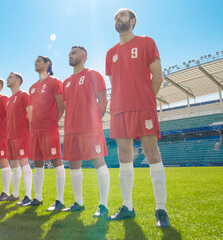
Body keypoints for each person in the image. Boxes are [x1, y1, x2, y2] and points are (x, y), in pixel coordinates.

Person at [105, 8, 170, 228]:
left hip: (143, 107)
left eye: (121, 16)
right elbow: (114, 84)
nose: (117, 19)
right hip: (119, 110)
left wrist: (145, 100)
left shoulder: (146, 42)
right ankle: (127, 207)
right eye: (115, 17)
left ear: (132, 21)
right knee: (124, 155)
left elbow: (158, 77)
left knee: (152, 153)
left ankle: (161, 210)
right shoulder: (110, 52)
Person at [62, 46, 110, 218]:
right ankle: (78, 202)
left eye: (74, 52)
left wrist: (94, 123)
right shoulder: (66, 81)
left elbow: (103, 102)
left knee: (99, 163)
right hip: (71, 130)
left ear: (84, 56)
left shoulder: (93, 74)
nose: (70, 54)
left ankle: (103, 205)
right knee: (74, 166)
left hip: (89, 129)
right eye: (69, 53)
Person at [28, 56, 66, 210]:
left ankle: (60, 200)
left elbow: (61, 105)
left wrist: (53, 122)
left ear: (47, 64)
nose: (35, 62)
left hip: (49, 128)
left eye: (38, 60)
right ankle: (37, 197)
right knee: (37, 163)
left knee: (56, 161)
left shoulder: (55, 82)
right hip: (35, 130)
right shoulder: (32, 87)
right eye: (35, 60)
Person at [1, 72, 33, 205]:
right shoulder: (9, 100)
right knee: (14, 165)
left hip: (21, 136)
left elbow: (31, 114)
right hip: (10, 137)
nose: (7, 79)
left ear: (18, 80)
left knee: (24, 164)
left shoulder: (24, 95)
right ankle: (14, 194)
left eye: (10, 77)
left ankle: (28, 196)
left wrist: (30, 133)